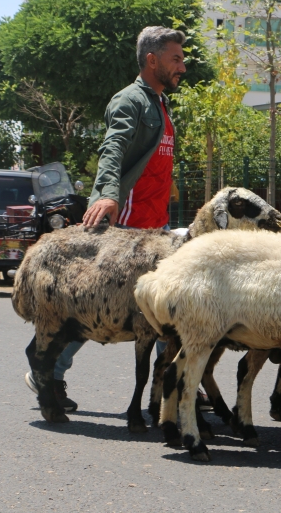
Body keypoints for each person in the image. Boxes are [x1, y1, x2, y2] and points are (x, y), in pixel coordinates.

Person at [25, 26, 187, 412]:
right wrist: (108, 193)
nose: (183, 65)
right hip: (129, 224)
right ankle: (48, 367)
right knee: (97, 305)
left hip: (155, 226)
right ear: (152, 60)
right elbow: (112, 150)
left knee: (164, 306)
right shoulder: (129, 101)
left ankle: (173, 381)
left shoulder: (161, 104)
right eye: (175, 58)